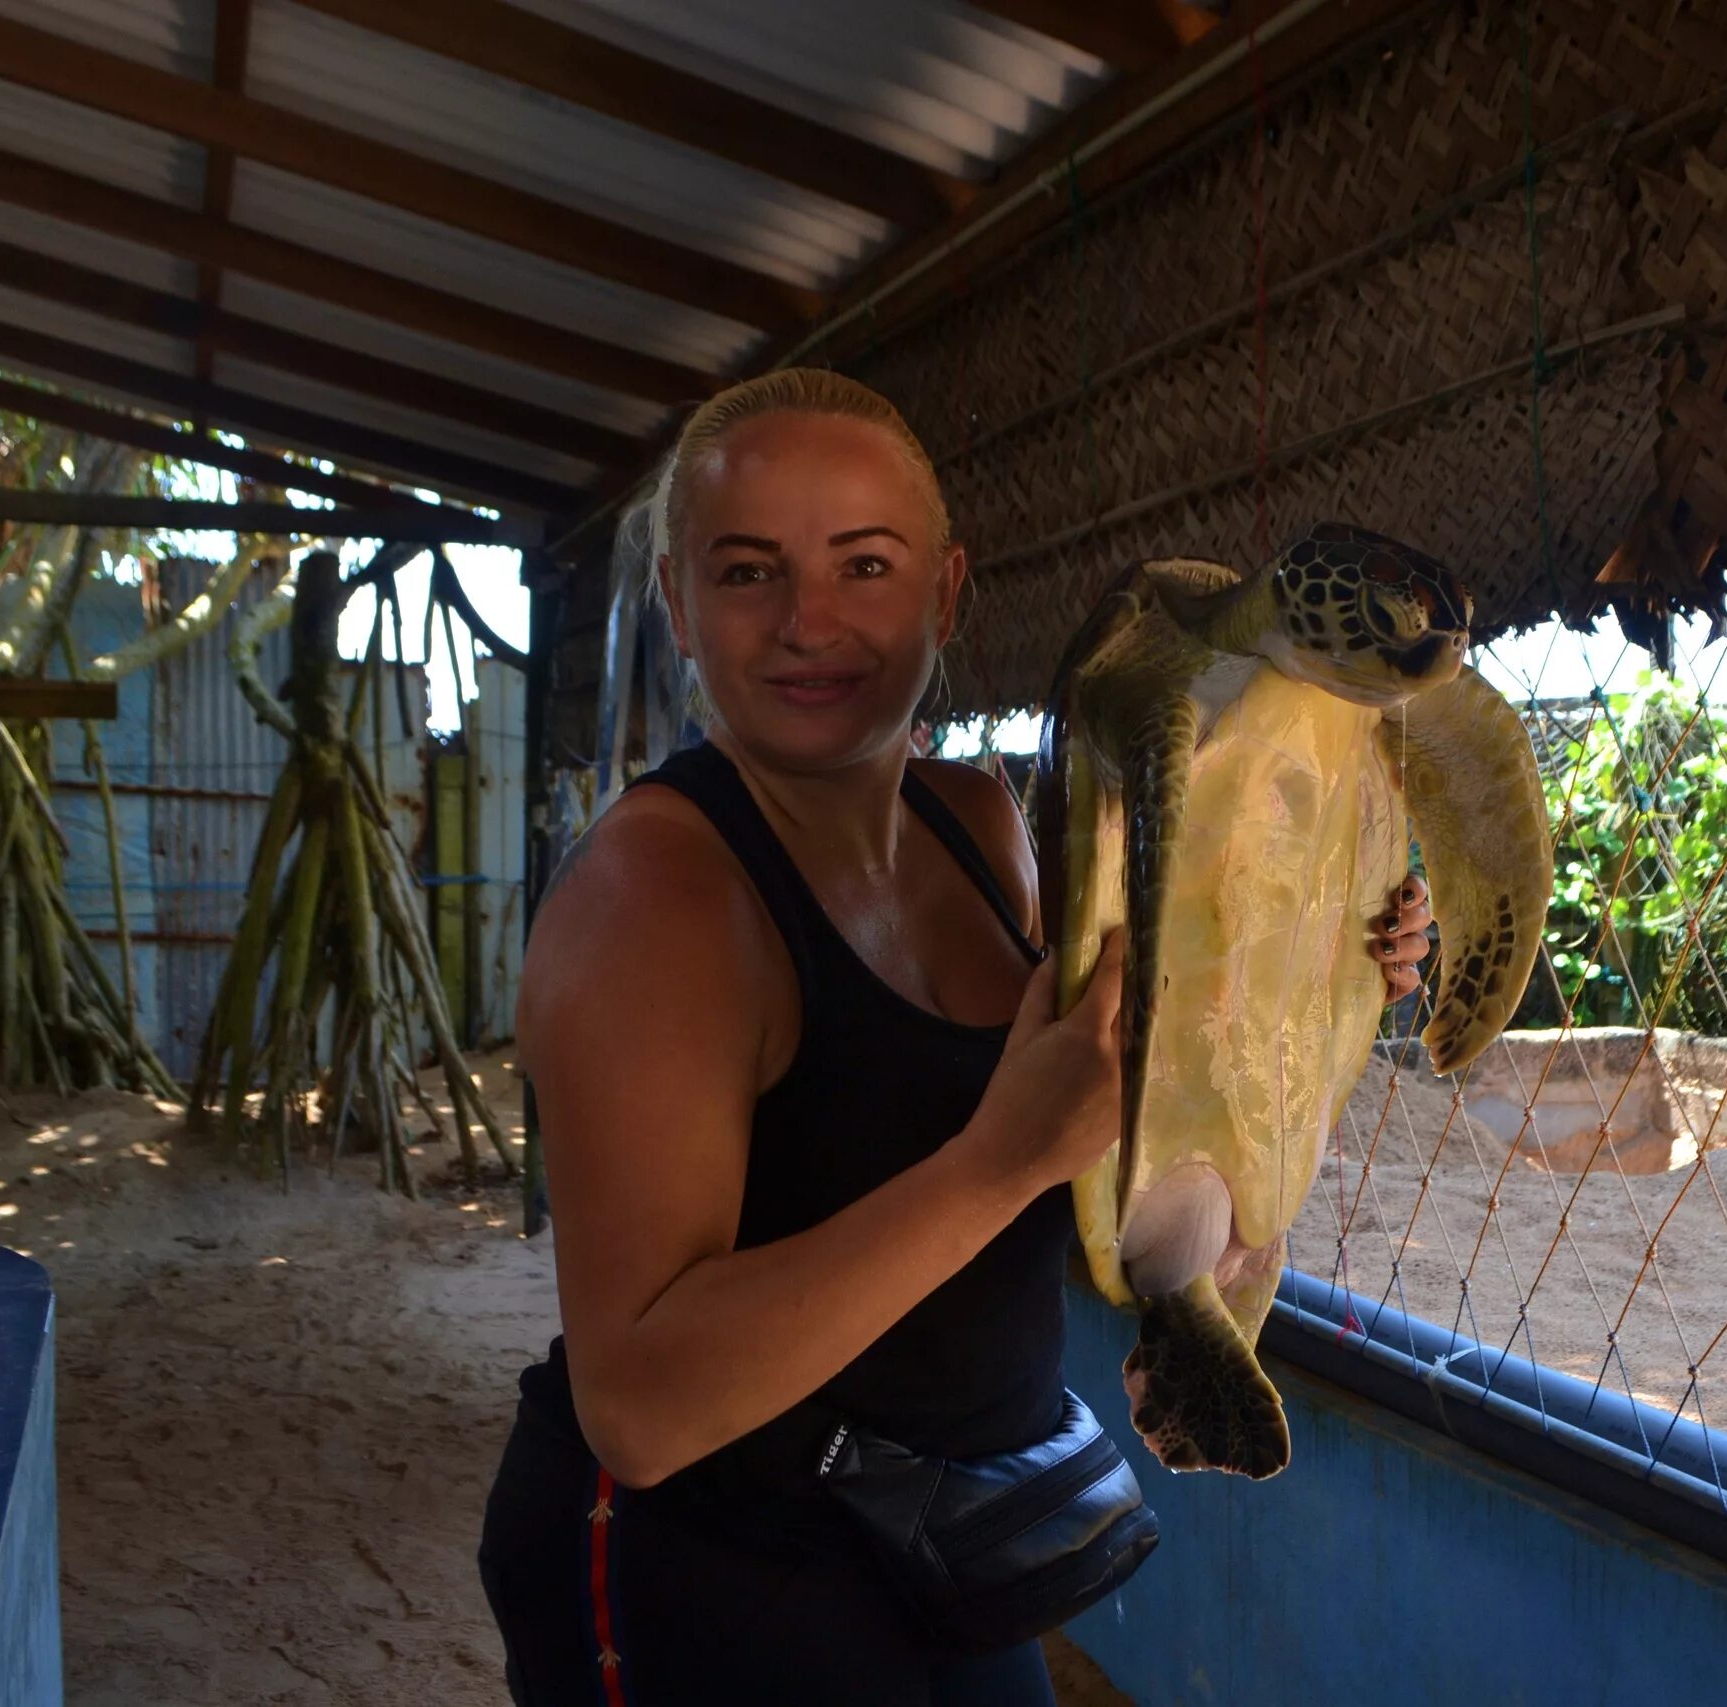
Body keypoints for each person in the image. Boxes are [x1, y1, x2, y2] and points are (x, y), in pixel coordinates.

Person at [479, 369, 1433, 1705]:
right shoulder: (658, 907)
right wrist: (1000, 1159)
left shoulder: (982, 828)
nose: (810, 622)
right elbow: (637, 1409)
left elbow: (1136, 1081)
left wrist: (1333, 953)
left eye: (863, 565)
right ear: (679, 609)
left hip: (959, 1537)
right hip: (708, 1573)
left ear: (944, 591)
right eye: (748, 573)